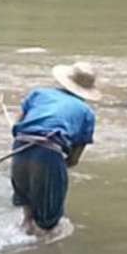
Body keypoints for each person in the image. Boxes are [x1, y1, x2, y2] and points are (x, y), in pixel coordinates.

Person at [10, 61, 99, 236]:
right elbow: (74, 158)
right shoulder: (86, 113)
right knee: (48, 224)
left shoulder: (38, 94)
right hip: (49, 152)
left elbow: (17, 125)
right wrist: (59, 167)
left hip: (19, 148)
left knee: (27, 216)